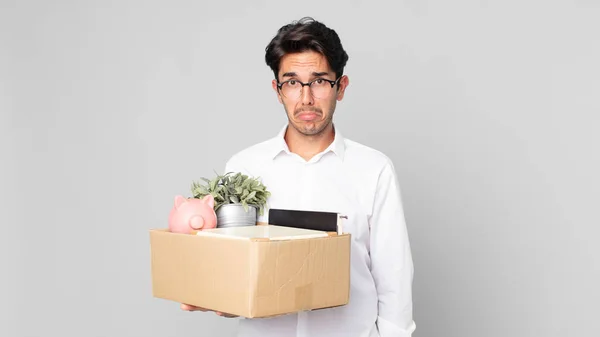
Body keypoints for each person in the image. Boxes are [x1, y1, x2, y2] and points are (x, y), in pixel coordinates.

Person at [181, 17, 416, 337]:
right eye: (292, 82)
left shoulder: (374, 169)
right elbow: (231, 269)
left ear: (340, 87)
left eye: (319, 81)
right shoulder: (243, 167)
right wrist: (216, 295)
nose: (306, 98)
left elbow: (394, 279)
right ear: (278, 90)